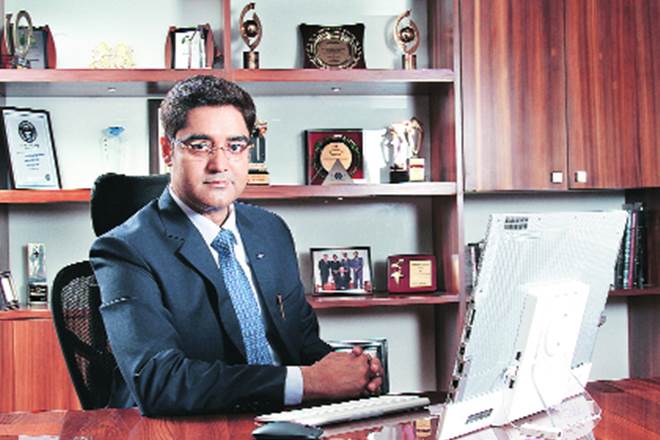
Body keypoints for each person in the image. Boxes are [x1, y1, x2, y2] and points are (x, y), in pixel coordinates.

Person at [90, 75, 383, 416]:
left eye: (234, 146)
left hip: (286, 421)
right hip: (189, 429)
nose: (219, 164)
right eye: (200, 145)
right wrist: (308, 382)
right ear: (168, 150)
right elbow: (161, 382)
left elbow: (301, 344)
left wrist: (350, 371)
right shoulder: (124, 250)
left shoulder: (270, 230)